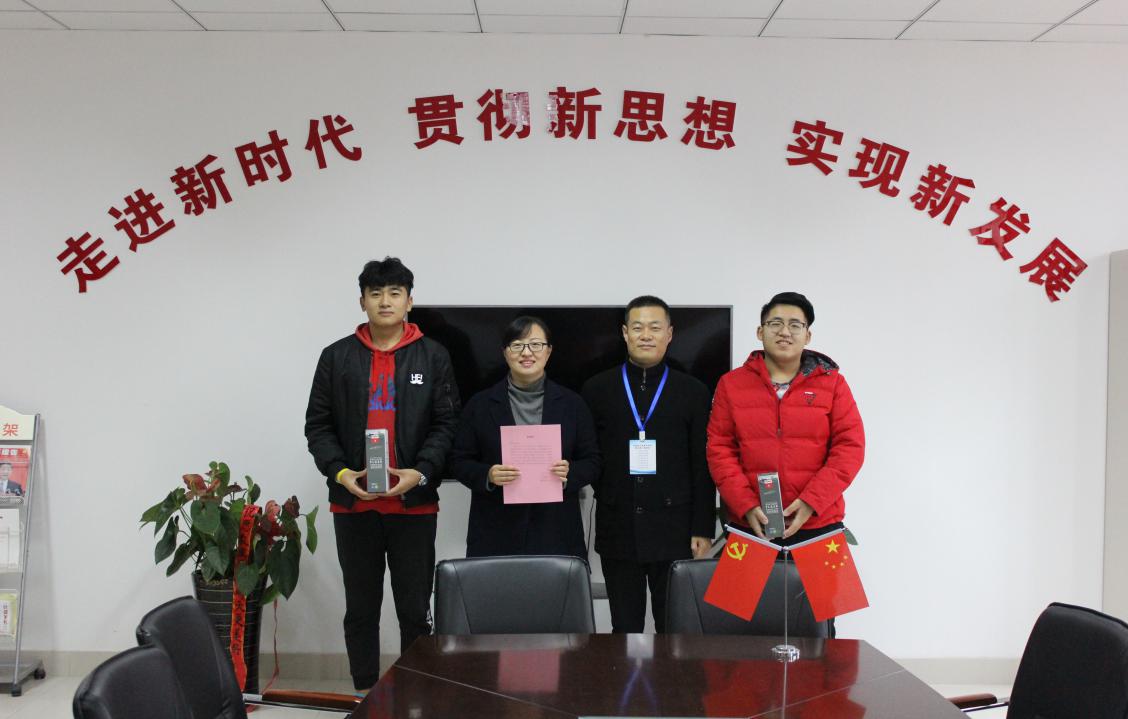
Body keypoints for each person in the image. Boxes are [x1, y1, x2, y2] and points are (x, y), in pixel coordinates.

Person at [304, 257, 460, 690]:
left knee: (414, 609)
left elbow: (447, 424)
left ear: (409, 301)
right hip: (354, 506)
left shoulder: (433, 355)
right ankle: (363, 692)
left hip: (414, 506)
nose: (385, 301)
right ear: (362, 302)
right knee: (360, 609)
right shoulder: (336, 357)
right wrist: (341, 474)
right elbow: (318, 426)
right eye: (375, 293)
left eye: (394, 293)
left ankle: (416, 693)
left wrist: (421, 472)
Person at [581, 295, 715, 634]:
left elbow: (702, 465)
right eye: (637, 327)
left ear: (669, 334)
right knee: (624, 630)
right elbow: (589, 456)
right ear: (624, 333)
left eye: (654, 328)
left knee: (674, 630)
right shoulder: (596, 389)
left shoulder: (693, 391)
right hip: (618, 528)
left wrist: (702, 528)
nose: (645, 335)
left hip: (676, 531)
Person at [707, 292, 864, 546]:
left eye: (795, 325)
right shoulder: (731, 385)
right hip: (752, 524)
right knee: (747, 578)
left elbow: (850, 448)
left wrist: (812, 501)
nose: (784, 332)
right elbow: (719, 449)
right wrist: (746, 504)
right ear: (760, 332)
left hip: (819, 524)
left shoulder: (833, 384)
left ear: (807, 335)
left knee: (820, 578)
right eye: (775, 323)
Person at [451, 315, 600, 559]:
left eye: (536, 345)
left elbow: (593, 461)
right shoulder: (480, 405)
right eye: (517, 345)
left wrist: (569, 473)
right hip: (496, 530)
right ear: (505, 352)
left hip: (556, 530)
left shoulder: (573, 404)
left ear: (549, 352)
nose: (526, 352)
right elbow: (458, 461)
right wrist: (488, 475)